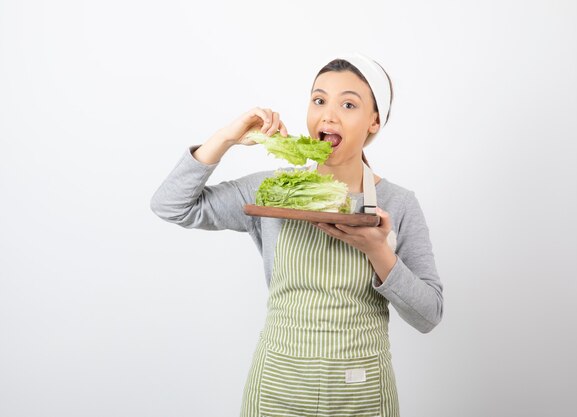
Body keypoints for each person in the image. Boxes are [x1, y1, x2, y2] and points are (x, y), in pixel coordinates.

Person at [150, 52, 443, 417]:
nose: (328, 115)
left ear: (374, 122)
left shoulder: (397, 203)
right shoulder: (273, 191)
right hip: (277, 388)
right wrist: (226, 138)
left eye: (348, 104)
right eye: (319, 100)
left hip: (360, 390)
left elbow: (428, 315)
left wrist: (379, 251)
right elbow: (171, 205)